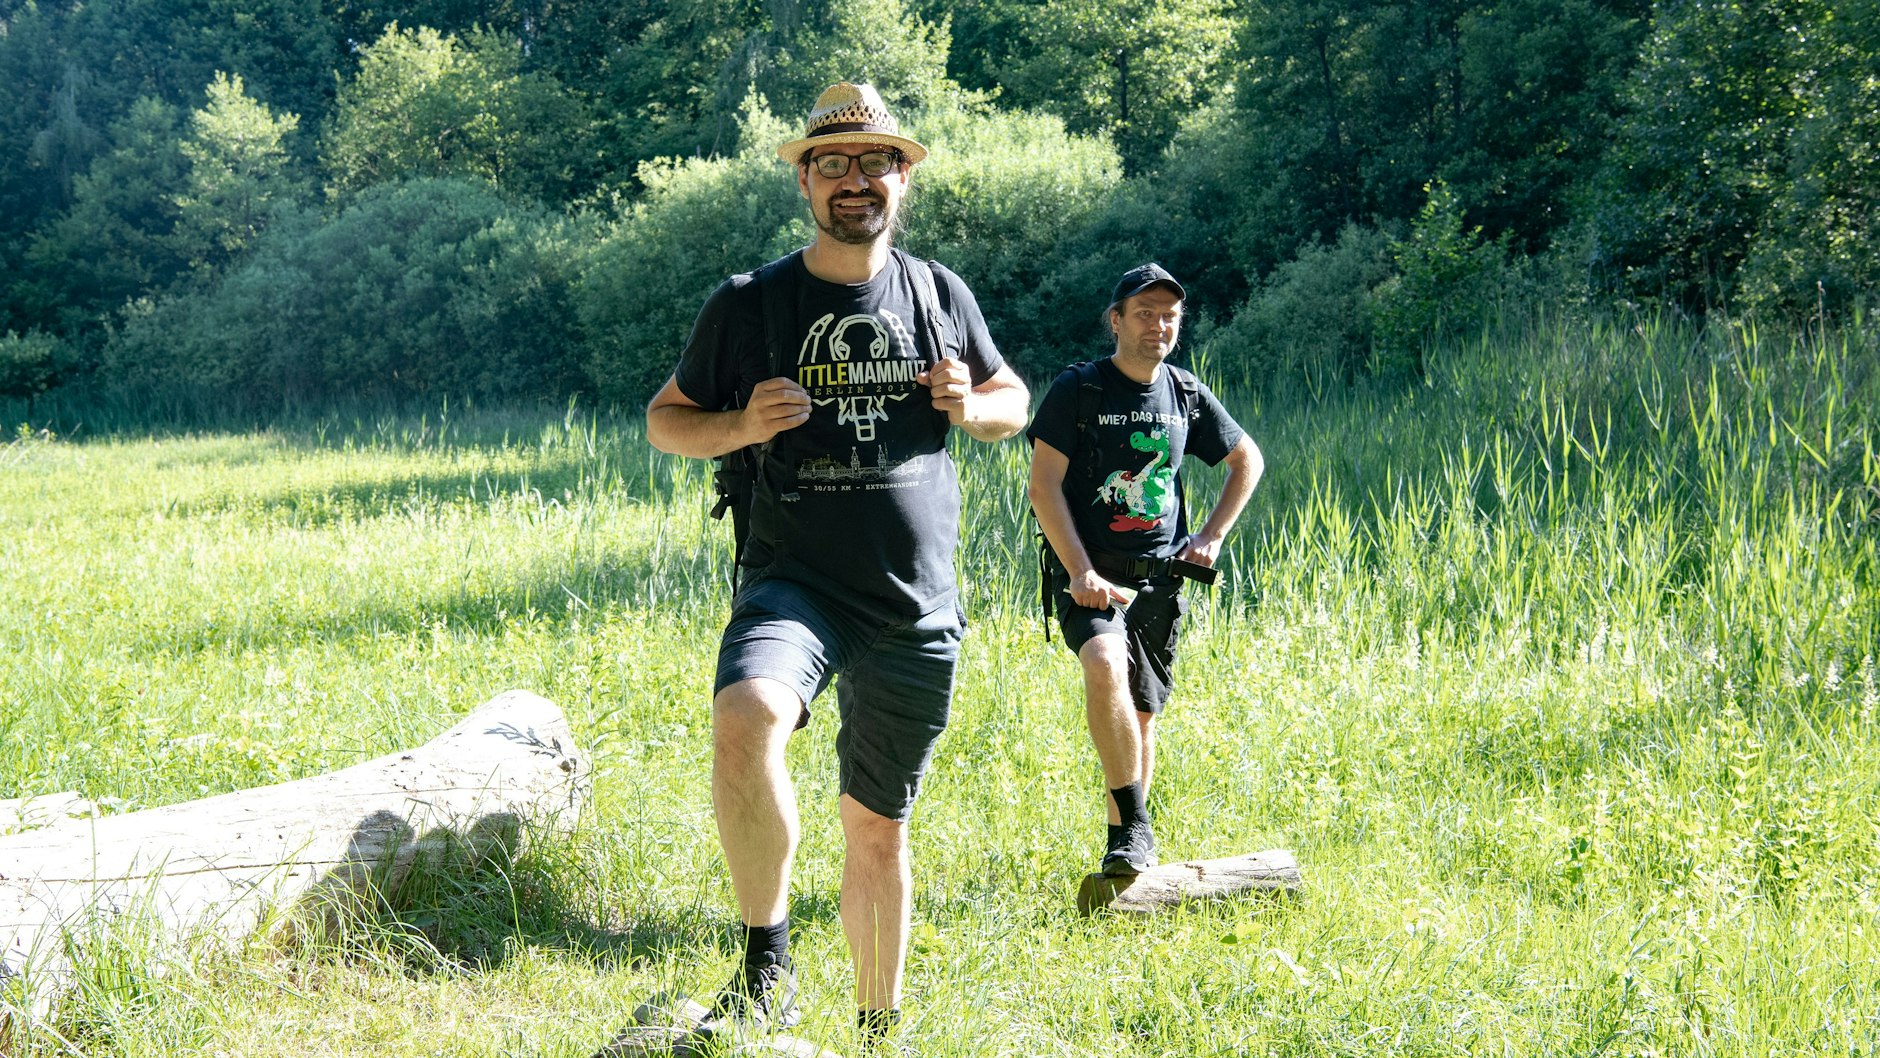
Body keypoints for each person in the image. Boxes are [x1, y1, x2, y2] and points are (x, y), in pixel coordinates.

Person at [644, 82, 1029, 1045]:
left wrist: (968, 409)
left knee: (877, 827)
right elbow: (665, 420)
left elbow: (1011, 400)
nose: (855, 181)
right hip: (795, 580)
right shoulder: (751, 304)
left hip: (914, 598)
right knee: (746, 716)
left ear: (903, 177)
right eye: (833, 164)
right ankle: (765, 966)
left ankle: (873, 1030)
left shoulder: (940, 292)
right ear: (806, 182)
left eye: (875, 163)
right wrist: (740, 423)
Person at [1025, 263, 1264, 876]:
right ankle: (1135, 825)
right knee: (1105, 662)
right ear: (1116, 320)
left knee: (1141, 713)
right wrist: (1078, 571)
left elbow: (1246, 461)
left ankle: (1127, 846)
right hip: (1092, 575)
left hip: (1161, 579)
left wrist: (1210, 536)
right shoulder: (1079, 390)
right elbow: (1043, 487)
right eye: (1144, 313)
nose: (1159, 325)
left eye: (1169, 316)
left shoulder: (1184, 393)